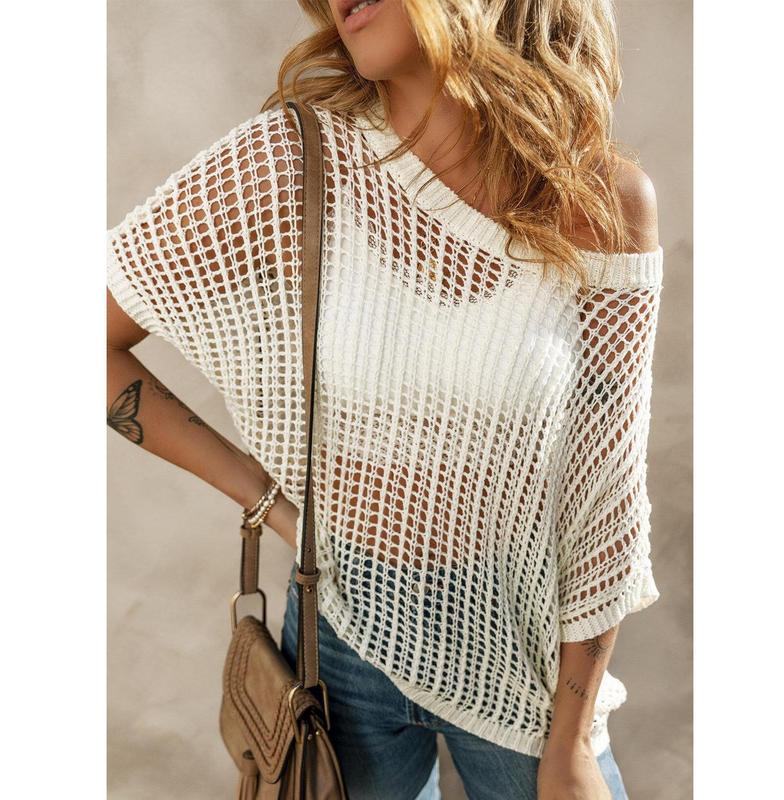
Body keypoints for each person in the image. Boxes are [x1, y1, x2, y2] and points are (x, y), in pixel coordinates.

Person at [107, 1, 663, 798]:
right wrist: (270, 504)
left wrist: (571, 738)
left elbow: (604, 497)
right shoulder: (291, 164)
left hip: (524, 648)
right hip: (339, 634)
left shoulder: (599, 199)